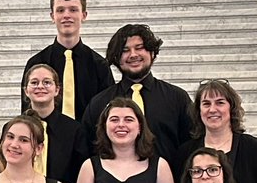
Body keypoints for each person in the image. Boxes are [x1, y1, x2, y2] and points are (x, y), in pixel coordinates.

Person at [82, 23, 193, 160]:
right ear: (116, 58)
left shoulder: (177, 98)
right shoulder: (99, 103)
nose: (133, 55)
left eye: (139, 48)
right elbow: (89, 149)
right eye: (125, 50)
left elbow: (191, 146)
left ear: (152, 53)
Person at [21, 0, 114, 121]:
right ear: (52, 16)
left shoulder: (99, 65)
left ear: (84, 15)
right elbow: (27, 112)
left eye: (73, 10)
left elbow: (108, 112)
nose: (66, 15)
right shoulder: (36, 63)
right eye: (60, 10)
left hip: (88, 140)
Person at [23, 63, 88, 183]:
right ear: (26, 90)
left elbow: (81, 174)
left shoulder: (74, 130)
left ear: (57, 89)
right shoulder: (14, 129)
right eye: (34, 82)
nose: (40, 86)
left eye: (47, 82)